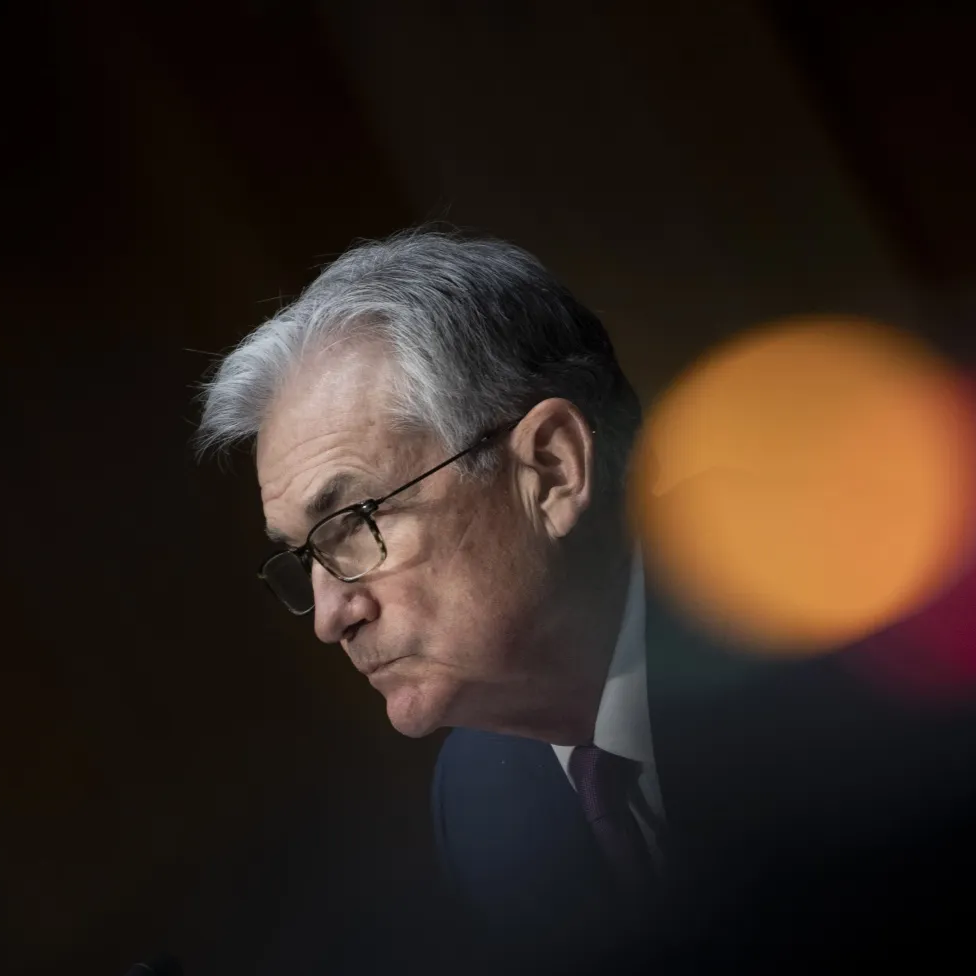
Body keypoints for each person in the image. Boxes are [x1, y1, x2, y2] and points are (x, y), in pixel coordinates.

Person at [194, 228, 670, 926]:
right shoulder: (480, 801)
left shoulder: (817, 629)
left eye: (354, 522)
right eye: (305, 557)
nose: (331, 617)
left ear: (551, 471)